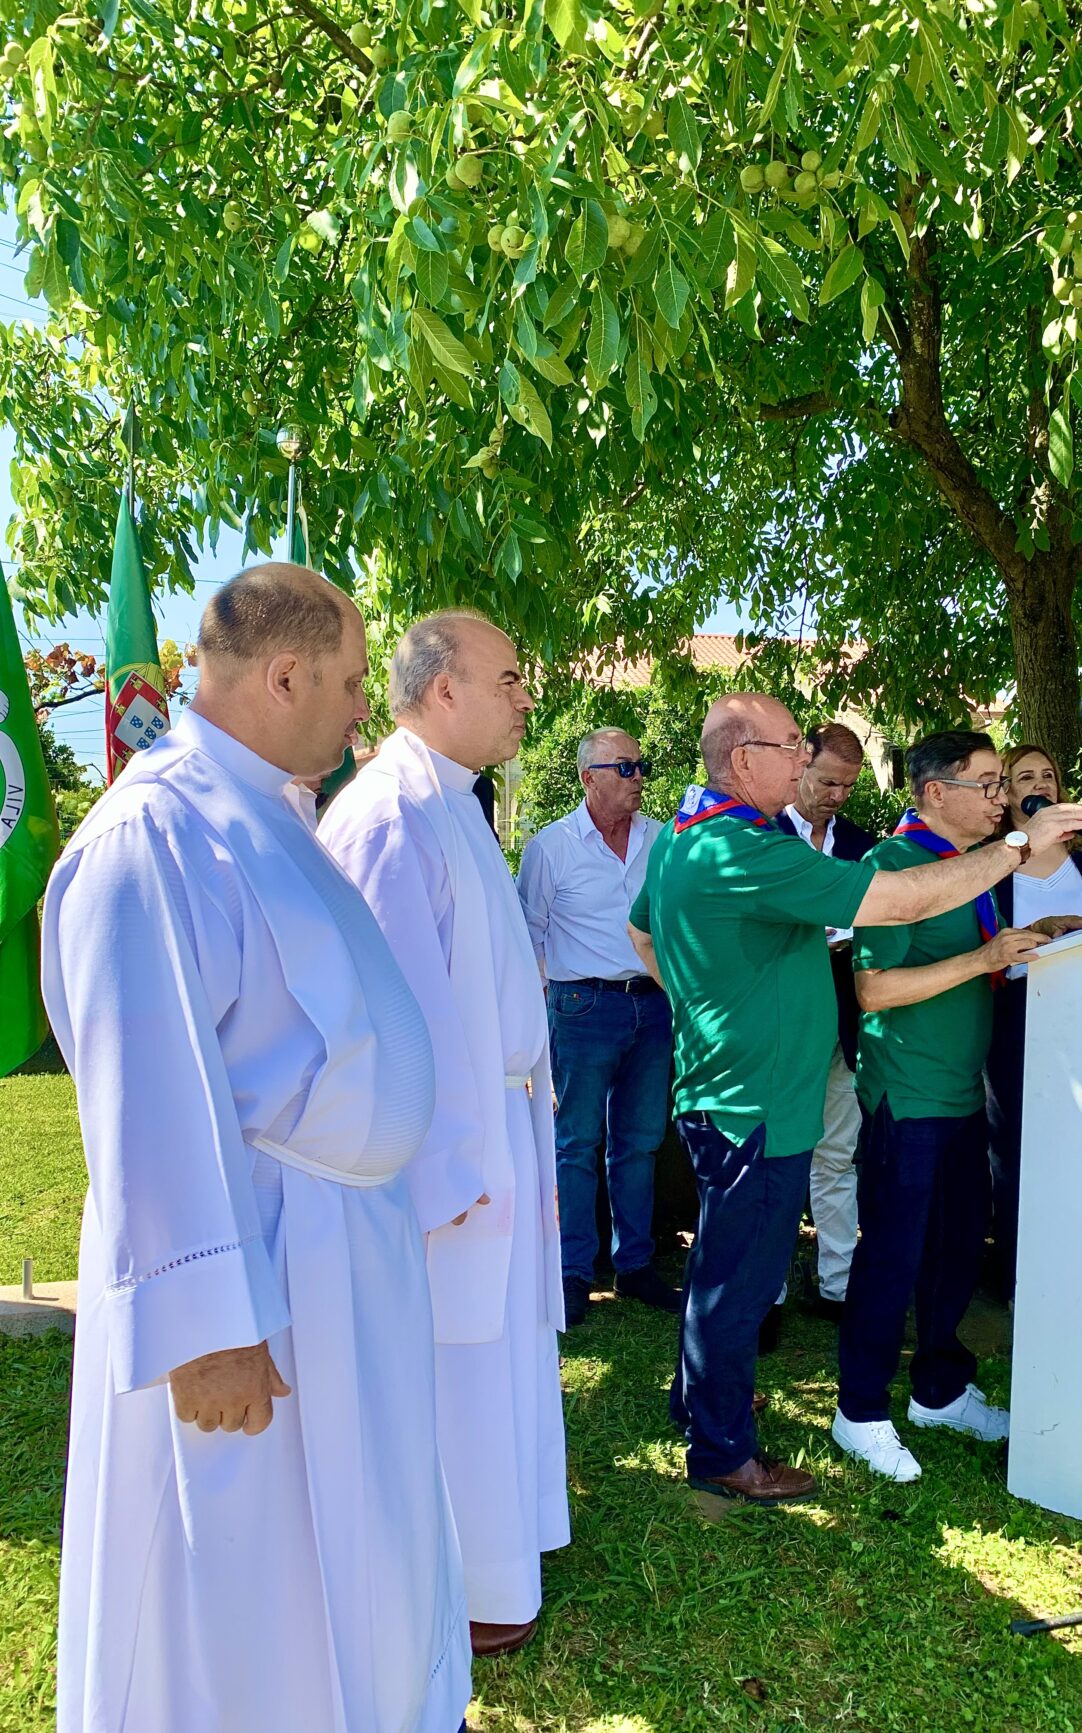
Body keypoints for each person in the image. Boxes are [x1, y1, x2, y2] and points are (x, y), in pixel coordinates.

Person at [42, 564, 471, 1733]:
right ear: (283, 675)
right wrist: (204, 1328)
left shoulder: (270, 810)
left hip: (342, 1244)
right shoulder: (153, 831)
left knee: (363, 1537)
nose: (364, 709)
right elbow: (147, 1095)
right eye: (349, 681)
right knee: (252, 1574)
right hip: (259, 1280)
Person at [628, 697, 1082, 1505]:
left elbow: (642, 931)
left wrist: (708, 1009)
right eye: (790, 745)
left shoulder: (687, 835)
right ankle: (723, 1452)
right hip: (757, 1100)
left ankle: (703, 1401)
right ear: (743, 760)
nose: (804, 759)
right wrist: (1022, 844)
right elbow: (901, 905)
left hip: (740, 1087)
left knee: (725, 1266)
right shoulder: (741, 846)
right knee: (742, 1278)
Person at [319, 610, 568, 1659]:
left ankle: (509, 1544)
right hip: (448, 1146)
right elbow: (396, 1019)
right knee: (452, 1358)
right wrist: (445, 1171)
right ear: (441, 689)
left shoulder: (452, 799)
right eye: (507, 678)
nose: (525, 697)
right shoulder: (390, 813)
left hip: (499, 1116)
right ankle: (458, 1582)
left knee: (500, 1348)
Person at [834, 730, 1082, 1484]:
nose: (999, 798)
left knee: (956, 1248)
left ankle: (941, 1391)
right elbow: (874, 990)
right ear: (933, 792)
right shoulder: (892, 866)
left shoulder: (973, 865)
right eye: (985, 784)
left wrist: (1042, 934)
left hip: (961, 1090)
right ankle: (859, 1409)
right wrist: (983, 958)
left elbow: (977, 950)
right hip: (909, 1092)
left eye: (999, 784)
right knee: (894, 1253)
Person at [517, 728, 677, 1326]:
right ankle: (573, 1272)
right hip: (581, 1007)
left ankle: (634, 1266)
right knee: (577, 1143)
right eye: (625, 767)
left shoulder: (662, 840)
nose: (639, 777)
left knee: (640, 1141)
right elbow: (528, 935)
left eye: (640, 765)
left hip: (652, 1005)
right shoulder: (551, 847)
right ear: (589, 778)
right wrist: (545, 1009)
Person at [984, 743, 1082, 1296]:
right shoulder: (991, 864)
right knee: (1016, 1147)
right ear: (1006, 793)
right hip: (1017, 1020)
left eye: (1047, 774)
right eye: (1024, 777)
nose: (1039, 783)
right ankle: (1018, 1274)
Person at [774, 722, 877, 1320]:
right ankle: (769, 1292)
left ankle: (838, 1285)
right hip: (779, 1029)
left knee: (836, 1157)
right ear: (801, 762)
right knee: (776, 1159)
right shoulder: (761, 834)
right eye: (828, 782)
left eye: (849, 786)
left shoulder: (862, 846)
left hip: (842, 1024)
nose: (837, 795)